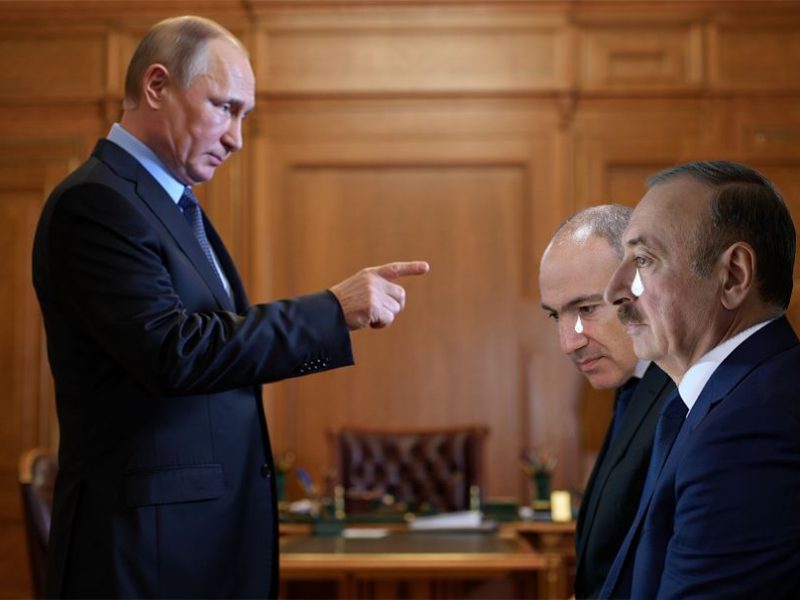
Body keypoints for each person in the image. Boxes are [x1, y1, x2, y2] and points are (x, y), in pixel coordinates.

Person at [32, 16, 428, 598]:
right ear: (157, 86)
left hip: (197, 543)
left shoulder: (170, 205)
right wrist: (331, 310)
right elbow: (174, 352)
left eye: (244, 116)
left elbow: (211, 346)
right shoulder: (96, 202)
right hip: (146, 555)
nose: (237, 138)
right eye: (225, 108)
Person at [599, 160, 800, 598]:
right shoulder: (721, 401)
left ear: (733, 275)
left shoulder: (751, 428)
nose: (613, 290)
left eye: (643, 260)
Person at [539, 205, 674, 598]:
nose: (568, 343)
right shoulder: (633, 384)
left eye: (586, 309)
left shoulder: (684, 396)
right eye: (555, 316)